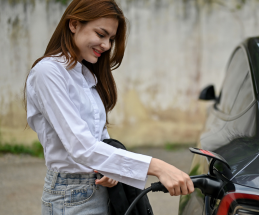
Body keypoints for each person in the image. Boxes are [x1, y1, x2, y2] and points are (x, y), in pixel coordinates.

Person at [24, 0, 194, 214]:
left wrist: (111, 167)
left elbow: (97, 135)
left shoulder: (86, 75)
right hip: (71, 195)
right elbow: (81, 146)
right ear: (74, 24)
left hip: (103, 187)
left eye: (111, 39)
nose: (106, 45)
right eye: (101, 34)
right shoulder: (48, 72)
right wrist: (158, 167)